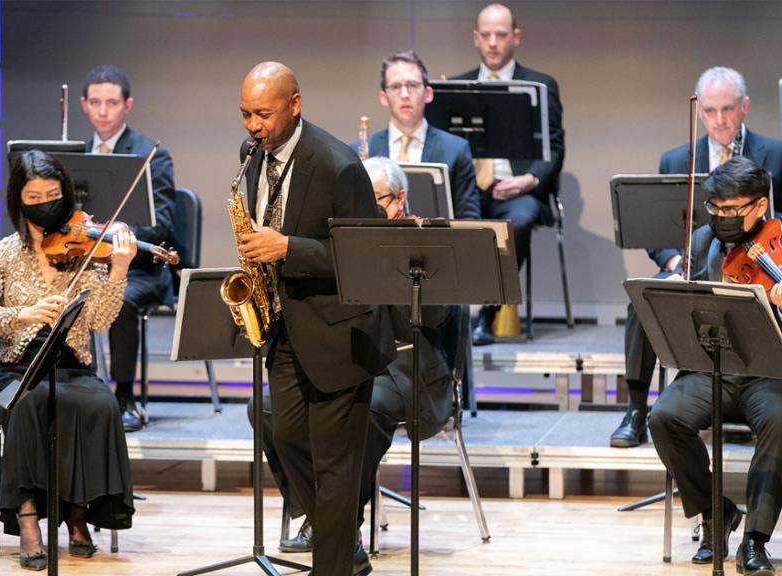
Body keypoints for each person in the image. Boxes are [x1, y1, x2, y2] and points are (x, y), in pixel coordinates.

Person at [249, 157, 457, 555]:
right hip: (348, 355)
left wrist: (414, 261)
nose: (370, 209)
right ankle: (329, 520)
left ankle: (338, 527)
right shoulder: (342, 239)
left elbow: (435, 317)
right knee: (266, 406)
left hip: (406, 366)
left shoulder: (424, 238)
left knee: (367, 408)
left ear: (400, 199)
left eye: (377, 200)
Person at [236, 61, 393, 576]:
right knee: (285, 440)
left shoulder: (337, 164)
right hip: (284, 330)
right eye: (245, 115)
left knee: (334, 462)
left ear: (295, 104)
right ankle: (343, 542)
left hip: (339, 335)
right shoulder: (253, 159)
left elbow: (366, 259)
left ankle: (334, 565)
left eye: (263, 113)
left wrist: (287, 248)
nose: (254, 125)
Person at [0, 150, 136, 571]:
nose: (45, 201)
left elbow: (98, 320)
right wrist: (23, 313)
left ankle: (77, 512)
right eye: (34, 195)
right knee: (27, 405)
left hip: (73, 366)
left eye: (53, 193)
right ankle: (28, 520)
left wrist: (118, 270)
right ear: (18, 200)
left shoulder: (84, 248)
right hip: (19, 368)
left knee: (101, 405)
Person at [613, 67, 782, 447]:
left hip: (759, 266)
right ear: (699, 112)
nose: (720, 120)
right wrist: (678, 265)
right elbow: (659, 233)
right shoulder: (675, 159)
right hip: (695, 263)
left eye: (728, 109)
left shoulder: (776, 153)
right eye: (710, 110)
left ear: (745, 107)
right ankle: (636, 409)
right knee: (645, 296)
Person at [649, 157, 782, 574]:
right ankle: (716, 512)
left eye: (732, 210)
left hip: (770, 374)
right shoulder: (703, 240)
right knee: (664, 418)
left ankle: (755, 540)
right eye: (715, 208)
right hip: (712, 369)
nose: (721, 218)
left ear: (760, 206)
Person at [452, 3, 565, 345]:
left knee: (519, 220)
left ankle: (488, 310)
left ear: (515, 37)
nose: (493, 43)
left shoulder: (541, 85)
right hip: (469, 190)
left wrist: (529, 180)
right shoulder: (457, 86)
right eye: (485, 35)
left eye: (500, 35)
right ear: (475, 38)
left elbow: (555, 147)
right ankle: (447, 315)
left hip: (517, 191)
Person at [79, 65, 176, 432]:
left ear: (127, 105)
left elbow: (162, 221)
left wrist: (116, 232)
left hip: (139, 269)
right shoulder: (72, 153)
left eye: (112, 102)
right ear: (84, 105)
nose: (103, 111)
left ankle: (124, 397)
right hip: (85, 266)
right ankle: (76, 388)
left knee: (121, 299)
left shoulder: (152, 155)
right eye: (96, 102)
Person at [357, 50, 480, 220]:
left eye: (413, 85)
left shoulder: (457, 150)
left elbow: (469, 219)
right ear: (384, 97)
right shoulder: (358, 150)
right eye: (395, 87)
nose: (405, 94)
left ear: (428, 93)